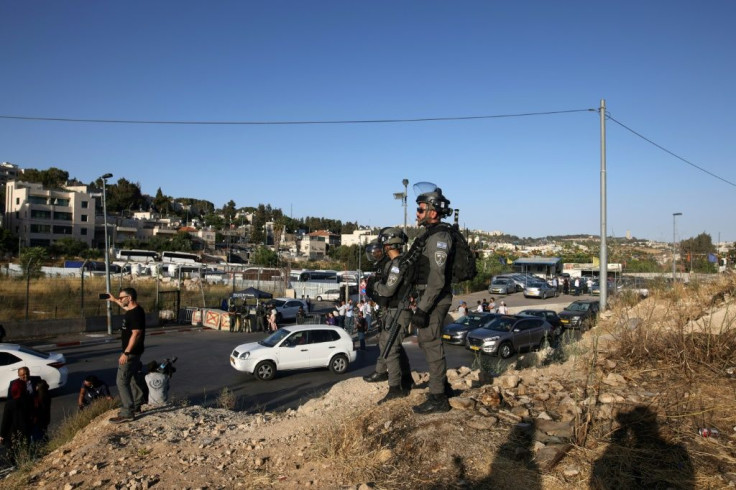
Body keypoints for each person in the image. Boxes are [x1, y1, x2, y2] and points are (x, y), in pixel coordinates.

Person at [406, 182, 456, 414]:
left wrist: (423, 309)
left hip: (435, 300)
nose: (417, 213)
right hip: (429, 298)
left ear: (433, 212)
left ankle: (438, 399)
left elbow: (437, 279)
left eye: (420, 209)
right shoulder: (430, 235)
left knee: (431, 343)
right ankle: (442, 387)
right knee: (428, 342)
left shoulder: (439, 238)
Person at [363, 231, 414, 405]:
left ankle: (395, 388)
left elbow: (387, 290)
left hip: (399, 311)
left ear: (389, 246)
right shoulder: (395, 263)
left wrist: (373, 284)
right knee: (389, 344)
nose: (381, 249)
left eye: (383, 246)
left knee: (391, 349)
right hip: (394, 310)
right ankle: (406, 379)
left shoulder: (398, 264)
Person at [106, 287, 146, 424]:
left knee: (121, 381)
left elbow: (136, 334)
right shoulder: (133, 310)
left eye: (122, 297)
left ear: (129, 298)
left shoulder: (135, 314)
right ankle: (137, 404)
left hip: (131, 353)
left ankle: (127, 411)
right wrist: (114, 300)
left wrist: (126, 353)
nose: (120, 299)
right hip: (135, 352)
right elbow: (126, 309)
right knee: (133, 378)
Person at [0, 378, 32, 457]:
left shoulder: (10, 404)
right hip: (25, 431)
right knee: (25, 451)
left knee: (13, 454)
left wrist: (2, 435)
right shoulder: (28, 400)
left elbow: (6, 421)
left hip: (12, 433)